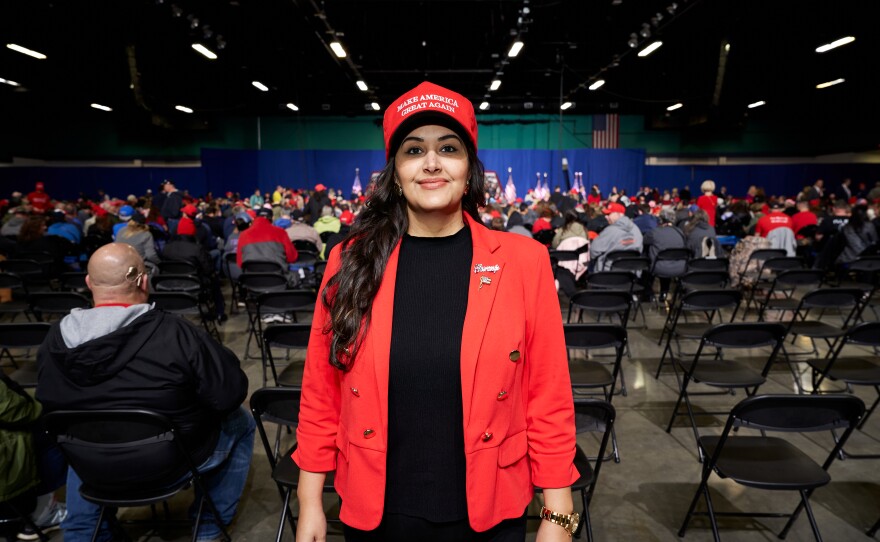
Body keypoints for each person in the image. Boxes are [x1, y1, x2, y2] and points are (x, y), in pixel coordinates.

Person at [294, 81, 578, 542]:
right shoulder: (349, 260)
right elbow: (322, 393)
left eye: (448, 148)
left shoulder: (522, 261)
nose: (431, 163)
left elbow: (549, 397)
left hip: (491, 513)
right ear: (395, 170)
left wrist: (559, 515)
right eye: (413, 150)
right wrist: (310, 503)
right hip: (376, 512)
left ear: (469, 167)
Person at [36, 244, 253, 542]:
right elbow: (230, 394)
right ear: (143, 280)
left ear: (88, 283)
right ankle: (207, 530)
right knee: (242, 423)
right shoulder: (177, 333)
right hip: (170, 462)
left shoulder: (54, 339)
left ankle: (83, 532)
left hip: (93, 463)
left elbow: (47, 403)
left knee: (81, 437)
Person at [644, 207, 687, 301]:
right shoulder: (680, 232)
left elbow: (644, 242)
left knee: (648, 259)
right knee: (665, 259)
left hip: (660, 268)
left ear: (660, 219)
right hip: (679, 267)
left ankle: (647, 295)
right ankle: (663, 293)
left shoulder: (655, 232)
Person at [589, 202, 643, 271]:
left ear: (619, 214)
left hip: (608, 274)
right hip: (630, 274)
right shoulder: (636, 229)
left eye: (609, 214)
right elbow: (639, 250)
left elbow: (593, 251)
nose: (606, 217)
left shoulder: (610, 231)